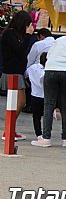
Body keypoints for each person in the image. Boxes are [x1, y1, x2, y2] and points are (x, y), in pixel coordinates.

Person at [1, 10, 34, 141]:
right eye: (28, 24)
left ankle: (11, 129)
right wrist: (27, 36)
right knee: (20, 102)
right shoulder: (9, 34)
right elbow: (20, 50)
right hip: (12, 71)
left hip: (18, 71)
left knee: (19, 102)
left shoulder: (16, 35)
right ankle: (8, 130)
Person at [26, 52, 47, 140]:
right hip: (45, 95)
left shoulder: (32, 67)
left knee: (36, 117)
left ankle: (38, 134)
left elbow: (26, 74)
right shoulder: (46, 71)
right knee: (46, 116)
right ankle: (46, 133)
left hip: (34, 94)